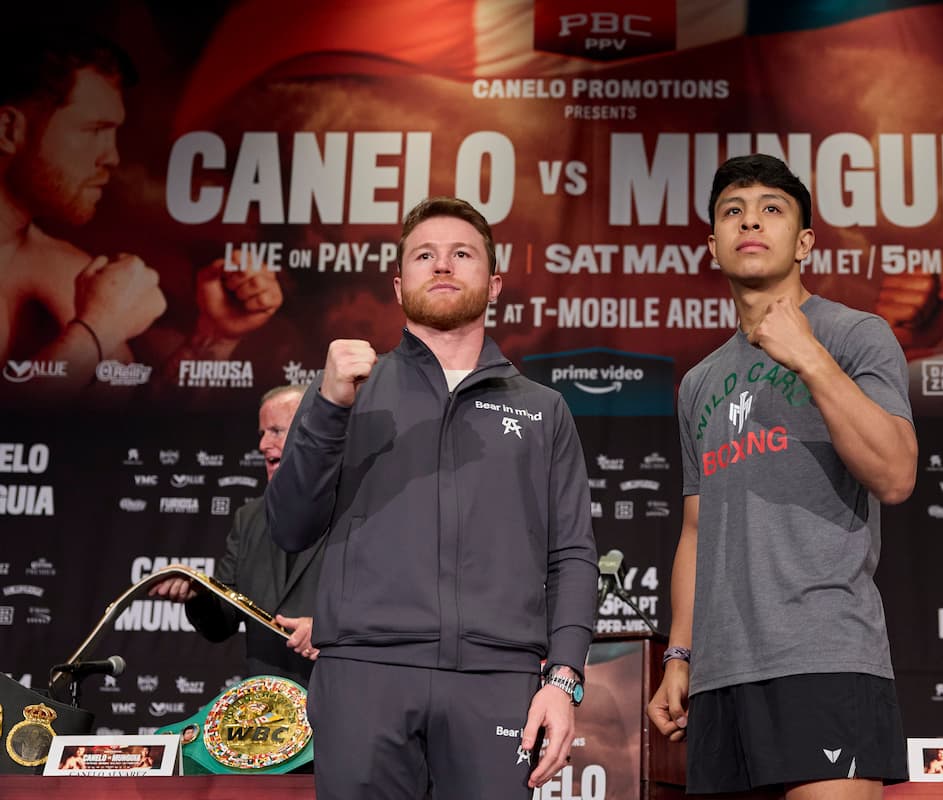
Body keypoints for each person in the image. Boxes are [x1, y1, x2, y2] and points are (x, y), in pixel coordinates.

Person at [265, 196, 598, 800]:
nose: (442, 265)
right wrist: (327, 407)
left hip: (498, 681)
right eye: (425, 255)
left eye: (461, 254)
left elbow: (573, 554)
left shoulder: (543, 409)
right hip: (366, 675)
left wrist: (565, 679)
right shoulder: (349, 392)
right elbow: (289, 526)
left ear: (494, 283)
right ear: (398, 285)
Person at [647, 154, 917, 799]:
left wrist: (811, 360)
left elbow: (896, 475)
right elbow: (695, 528)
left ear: (803, 242)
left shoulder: (856, 336)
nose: (751, 222)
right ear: (712, 245)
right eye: (733, 211)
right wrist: (679, 656)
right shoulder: (700, 382)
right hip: (720, 676)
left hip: (824, 658)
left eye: (772, 208)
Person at [0, 27, 281, 398]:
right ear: (8, 130)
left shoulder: (69, 272)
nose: (111, 158)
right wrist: (96, 331)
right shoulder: (95, 307)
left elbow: (136, 423)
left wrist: (212, 338)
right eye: (93, 130)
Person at [148, 384, 325, 686]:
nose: (262, 444)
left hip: (337, 698)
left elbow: (387, 602)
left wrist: (328, 630)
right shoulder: (250, 518)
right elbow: (222, 623)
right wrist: (199, 595)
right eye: (262, 433)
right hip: (266, 707)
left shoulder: (355, 509)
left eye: (276, 431)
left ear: (312, 434)